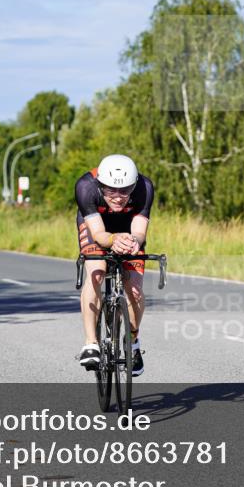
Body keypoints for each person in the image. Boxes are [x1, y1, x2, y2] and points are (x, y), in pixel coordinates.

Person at [75, 154, 154, 376]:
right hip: (97, 227)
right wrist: (112, 239)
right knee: (97, 272)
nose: (118, 197)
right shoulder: (86, 187)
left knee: (134, 288)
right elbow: (99, 234)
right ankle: (91, 343)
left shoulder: (145, 188)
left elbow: (139, 231)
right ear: (100, 185)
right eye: (111, 191)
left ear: (134, 185)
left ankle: (132, 342)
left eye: (125, 190)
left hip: (128, 228)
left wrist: (133, 241)